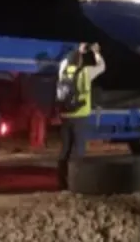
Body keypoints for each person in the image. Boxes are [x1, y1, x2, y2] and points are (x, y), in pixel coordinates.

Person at [57, 43, 105, 189]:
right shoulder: (85, 72)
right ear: (80, 62)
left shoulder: (63, 72)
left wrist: (77, 51)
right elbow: (102, 67)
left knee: (65, 149)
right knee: (78, 150)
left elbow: (64, 62)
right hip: (80, 116)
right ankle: (75, 183)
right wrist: (96, 52)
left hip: (65, 116)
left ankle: (61, 182)